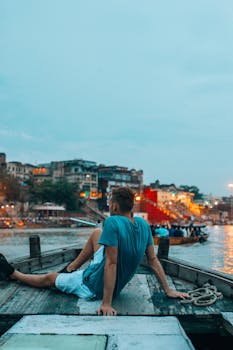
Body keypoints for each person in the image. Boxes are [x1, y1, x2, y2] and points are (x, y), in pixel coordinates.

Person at [0, 187, 188, 316]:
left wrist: (106, 303)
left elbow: (111, 263)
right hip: (110, 280)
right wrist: (168, 290)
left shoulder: (112, 222)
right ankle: (71, 268)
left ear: (114, 206)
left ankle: (14, 274)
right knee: (96, 233)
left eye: (109, 204)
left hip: (92, 287)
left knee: (49, 278)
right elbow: (154, 260)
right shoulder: (142, 224)